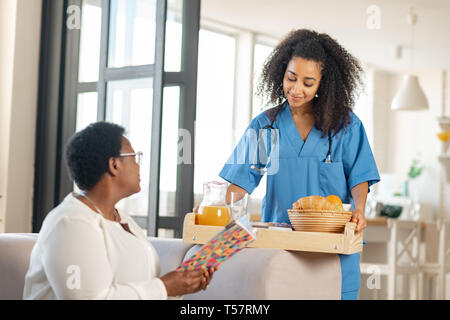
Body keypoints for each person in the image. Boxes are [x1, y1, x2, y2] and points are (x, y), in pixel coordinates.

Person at [219, 29, 380, 300]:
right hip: (282, 247)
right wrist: (229, 217)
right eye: (291, 78)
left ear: (323, 84)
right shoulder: (266, 125)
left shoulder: (347, 125)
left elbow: (359, 175)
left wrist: (360, 209)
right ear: (281, 73)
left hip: (333, 248)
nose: (296, 89)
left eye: (308, 82)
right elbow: (238, 182)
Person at [23, 121, 215, 299]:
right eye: (134, 157)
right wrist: (166, 287)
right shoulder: (70, 223)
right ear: (114, 164)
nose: (139, 165)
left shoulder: (121, 219)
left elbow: (138, 289)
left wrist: (182, 285)